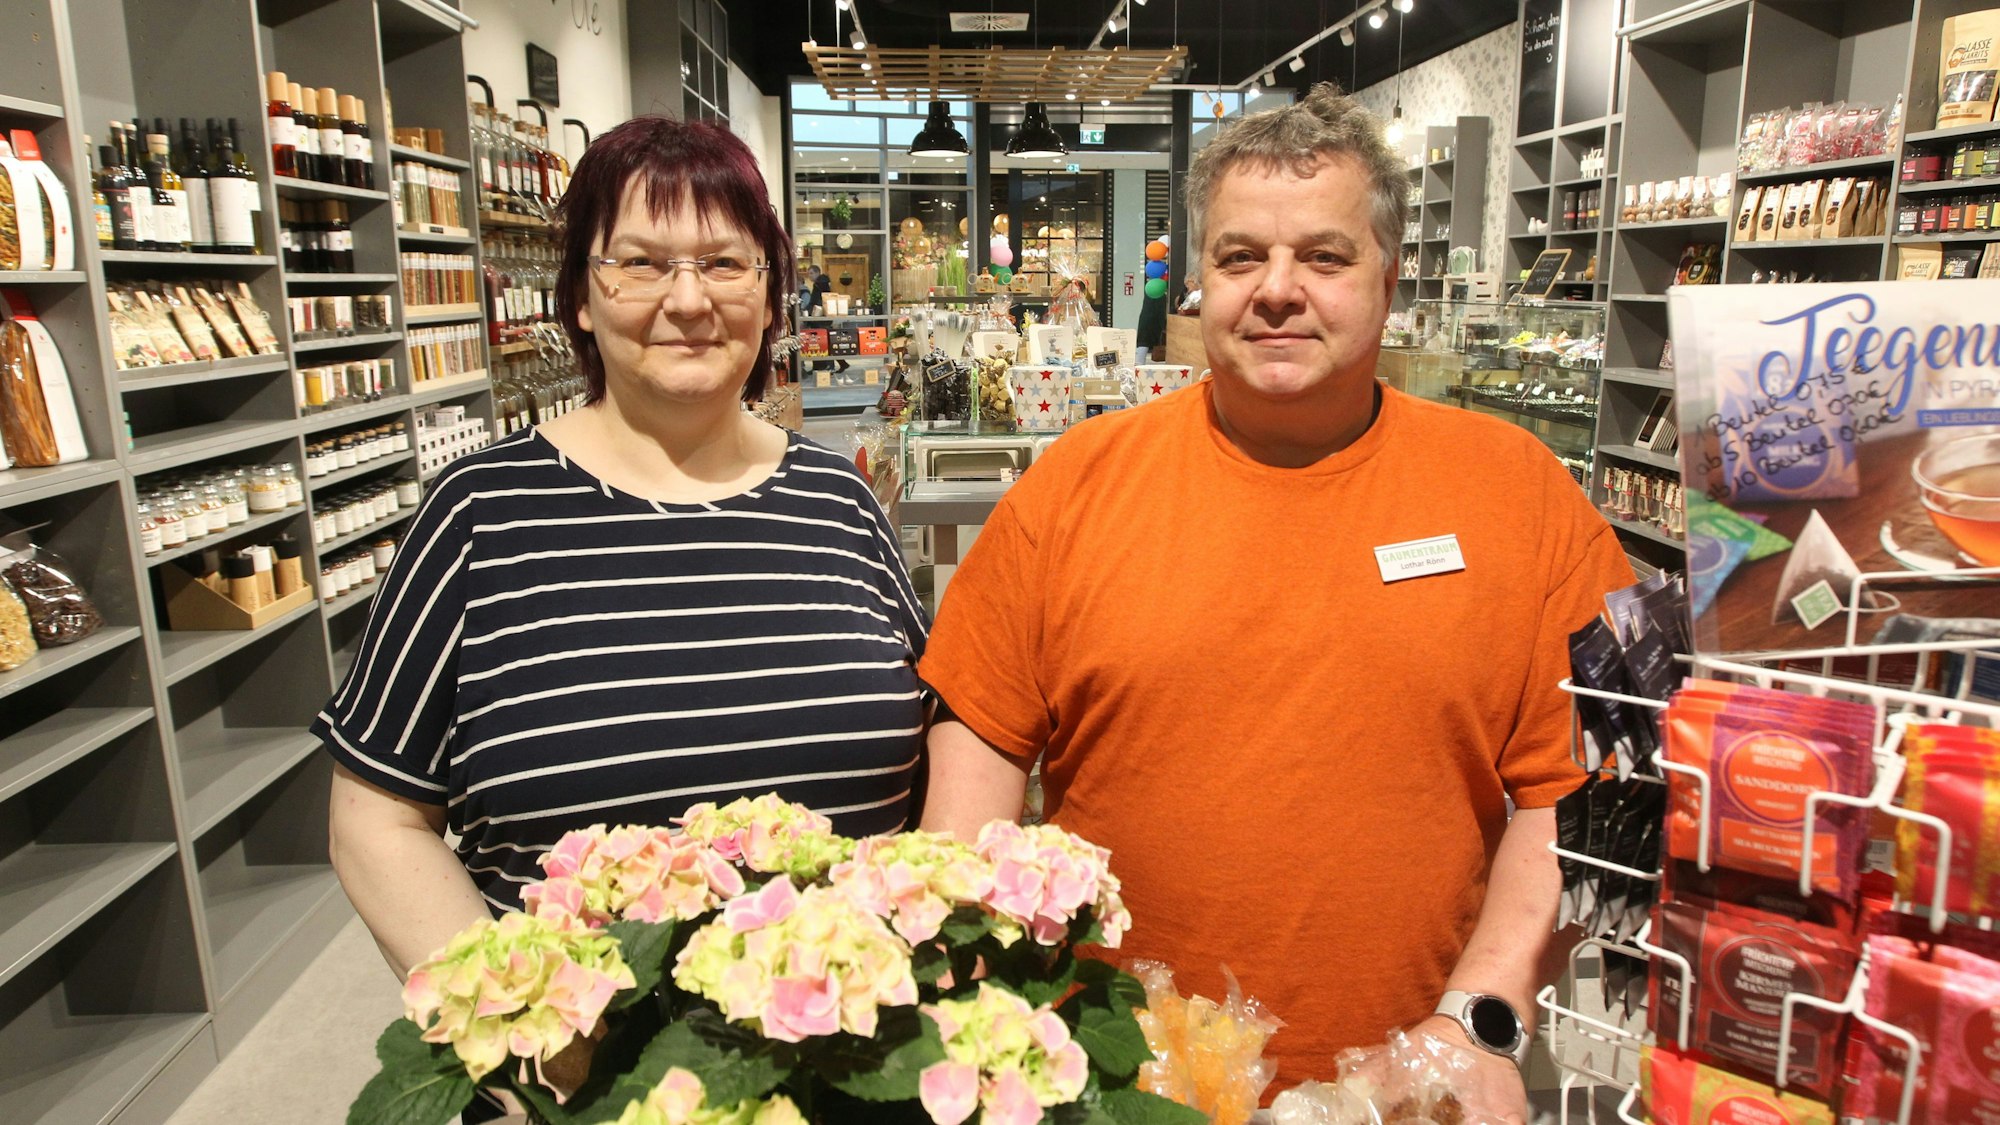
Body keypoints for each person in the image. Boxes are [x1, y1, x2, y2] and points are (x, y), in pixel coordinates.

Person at [917, 83, 1632, 1116]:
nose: (1277, 291)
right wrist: (968, 996)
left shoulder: (1517, 492)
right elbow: (975, 765)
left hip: (1410, 1091)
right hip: (1109, 1086)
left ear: (1389, 276)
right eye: (1240, 256)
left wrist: (1475, 1021)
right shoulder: (1073, 487)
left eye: (1324, 257)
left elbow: (1585, 783)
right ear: (1200, 279)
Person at [319, 116, 927, 1119]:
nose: (687, 300)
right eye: (640, 263)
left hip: (853, 1079)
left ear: (770, 292)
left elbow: (929, 743)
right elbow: (377, 815)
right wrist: (519, 1034)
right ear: (578, 295)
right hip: (583, 1094)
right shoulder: (480, 513)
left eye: (724, 263)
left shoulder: (838, 501)